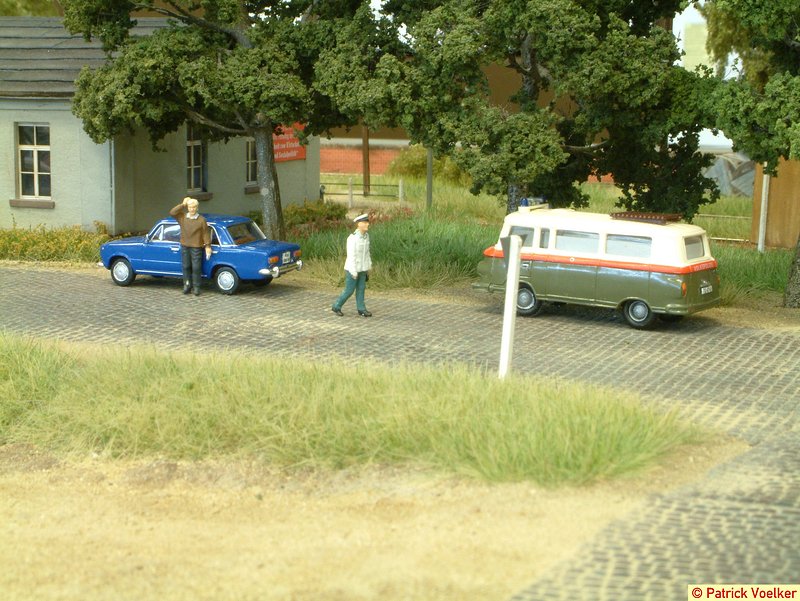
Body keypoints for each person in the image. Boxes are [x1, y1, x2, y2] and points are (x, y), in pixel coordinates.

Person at [332, 213, 372, 317]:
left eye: (367, 222)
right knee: (349, 290)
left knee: (361, 289)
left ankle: (361, 309)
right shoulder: (352, 238)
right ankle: (336, 306)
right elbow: (351, 256)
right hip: (352, 269)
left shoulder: (366, 237)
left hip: (362, 268)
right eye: (364, 222)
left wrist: (368, 267)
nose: (367, 224)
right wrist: (353, 271)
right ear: (359, 224)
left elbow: (367, 253)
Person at [169, 197, 211, 296]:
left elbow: (205, 233)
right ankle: (187, 285)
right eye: (190, 207)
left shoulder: (201, 220)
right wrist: (183, 204)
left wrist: (208, 246)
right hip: (185, 246)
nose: (192, 209)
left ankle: (196, 287)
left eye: (194, 207)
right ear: (187, 207)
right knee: (186, 266)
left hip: (197, 247)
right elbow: (172, 212)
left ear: (197, 208)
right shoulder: (182, 217)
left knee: (196, 267)